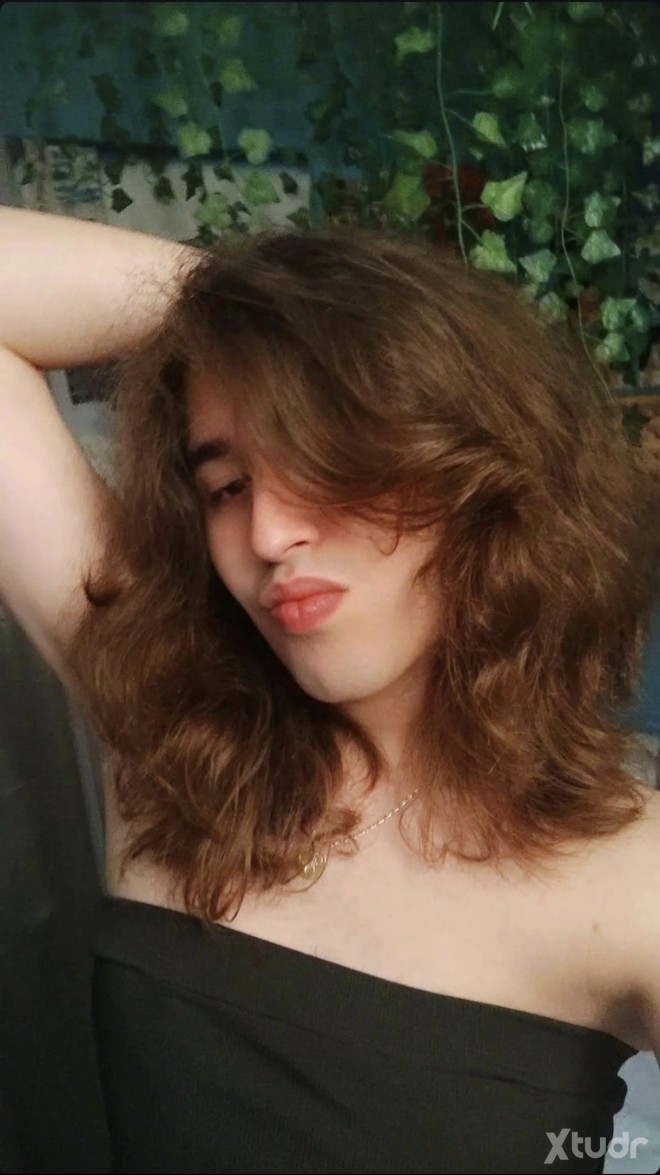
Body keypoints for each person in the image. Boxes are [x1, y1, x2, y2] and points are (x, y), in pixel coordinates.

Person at [1, 205, 659, 1175]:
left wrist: (330, 334)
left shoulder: (629, 872)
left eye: (321, 455)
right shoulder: (171, 742)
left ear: (476, 475)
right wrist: (250, 309)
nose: (268, 534)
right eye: (227, 486)